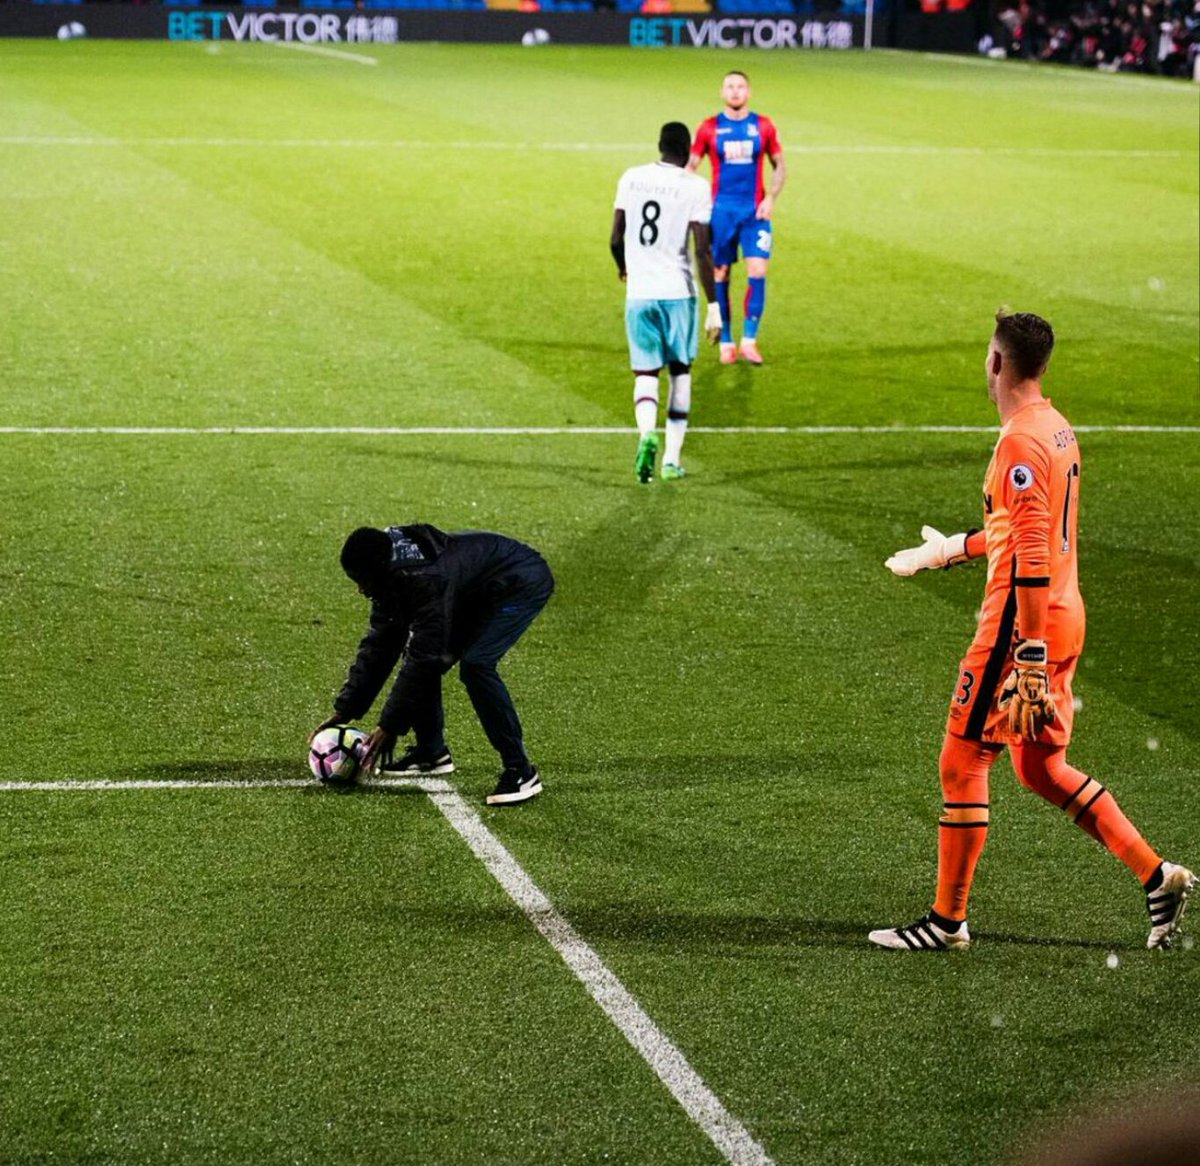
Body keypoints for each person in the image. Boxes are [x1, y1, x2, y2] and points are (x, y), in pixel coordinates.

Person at [869, 309, 1194, 952]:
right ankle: (1158, 876)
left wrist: (1029, 655)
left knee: (962, 762)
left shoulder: (1018, 442)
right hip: (1067, 614)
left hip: (1021, 627)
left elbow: (1031, 557)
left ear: (997, 363)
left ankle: (946, 920)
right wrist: (946, 552)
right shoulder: (1056, 428)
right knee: (1041, 768)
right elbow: (1024, 534)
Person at [312, 524, 554, 806]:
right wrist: (346, 710)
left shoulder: (422, 579)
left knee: (476, 665)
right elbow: (380, 646)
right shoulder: (389, 575)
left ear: (378, 571)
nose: (359, 589)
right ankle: (431, 752)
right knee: (425, 659)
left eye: (362, 580)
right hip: (473, 590)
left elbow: (423, 659)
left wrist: (389, 726)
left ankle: (521, 770)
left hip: (518, 582)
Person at [611, 121, 721, 485]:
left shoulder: (631, 178)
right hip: (678, 293)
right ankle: (671, 460)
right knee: (680, 373)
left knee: (645, 374)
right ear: (689, 151)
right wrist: (715, 306)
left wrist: (624, 268)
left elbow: (615, 237)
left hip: (639, 292)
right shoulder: (695, 186)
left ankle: (646, 434)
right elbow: (703, 250)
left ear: (659, 146)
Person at [686, 70, 785, 367]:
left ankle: (750, 341)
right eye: (730, 86)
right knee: (720, 275)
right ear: (722, 92)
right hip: (721, 213)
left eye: (740, 86)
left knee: (757, 270)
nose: (735, 91)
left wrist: (771, 198)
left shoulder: (763, 126)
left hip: (754, 213)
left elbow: (779, 164)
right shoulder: (709, 128)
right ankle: (727, 341)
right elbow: (691, 166)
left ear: (749, 92)